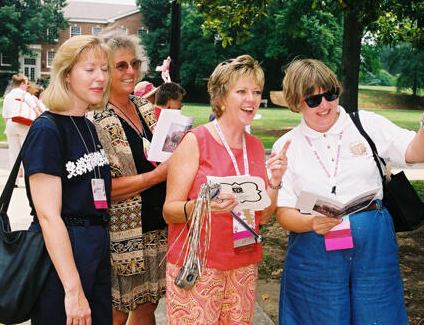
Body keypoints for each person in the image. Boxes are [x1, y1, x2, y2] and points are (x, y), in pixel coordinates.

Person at [271, 59, 424, 325]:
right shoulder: (286, 145)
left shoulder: (365, 124)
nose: (325, 105)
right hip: (314, 246)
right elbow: (284, 212)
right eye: (313, 100)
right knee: (317, 314)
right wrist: (311, 222)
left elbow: (417, 152)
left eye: (330, 94)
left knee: (378, 312)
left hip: (374, 245)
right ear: (295, 102)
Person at [163, 55, 289, 325]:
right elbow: (169, 211)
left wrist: (276, 181)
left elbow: (263, 217)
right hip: (199, 264)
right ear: (221, 98)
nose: (252, 99)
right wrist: (202, 206)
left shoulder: (255, 146)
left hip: (244, 263)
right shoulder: (195, 141)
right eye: (241, 91)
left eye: (256, 92)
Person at [21, 35, 114, 324]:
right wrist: (72, 290)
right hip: (61, 254)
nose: (100, 77)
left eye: (104, 69)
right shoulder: (47, 131)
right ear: (67, 76)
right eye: (89, 69)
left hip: (95, 245)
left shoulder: (88, 126)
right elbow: (49, 216)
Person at [91, 33, 168, 324]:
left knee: (147, 307)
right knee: (115, 311)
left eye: (133, 63)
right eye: (120, 65)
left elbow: (161, 155)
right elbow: (100, 189)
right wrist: (157, 175)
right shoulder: (93, 116)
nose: (131, 71)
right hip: (120, 234)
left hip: (156, 228)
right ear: (104, 70)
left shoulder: (146, 107)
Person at [2, 74, 40, 186]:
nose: (27, 86)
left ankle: (14, 180)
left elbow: (5, 114)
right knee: (27, 153)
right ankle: (28, 180)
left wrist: (8, 126)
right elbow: (36, 110)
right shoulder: (26, 95)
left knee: (13, 153)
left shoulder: (8, 96)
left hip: (10, 124)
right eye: (26, 83)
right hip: (24, 124)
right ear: (22, 83)